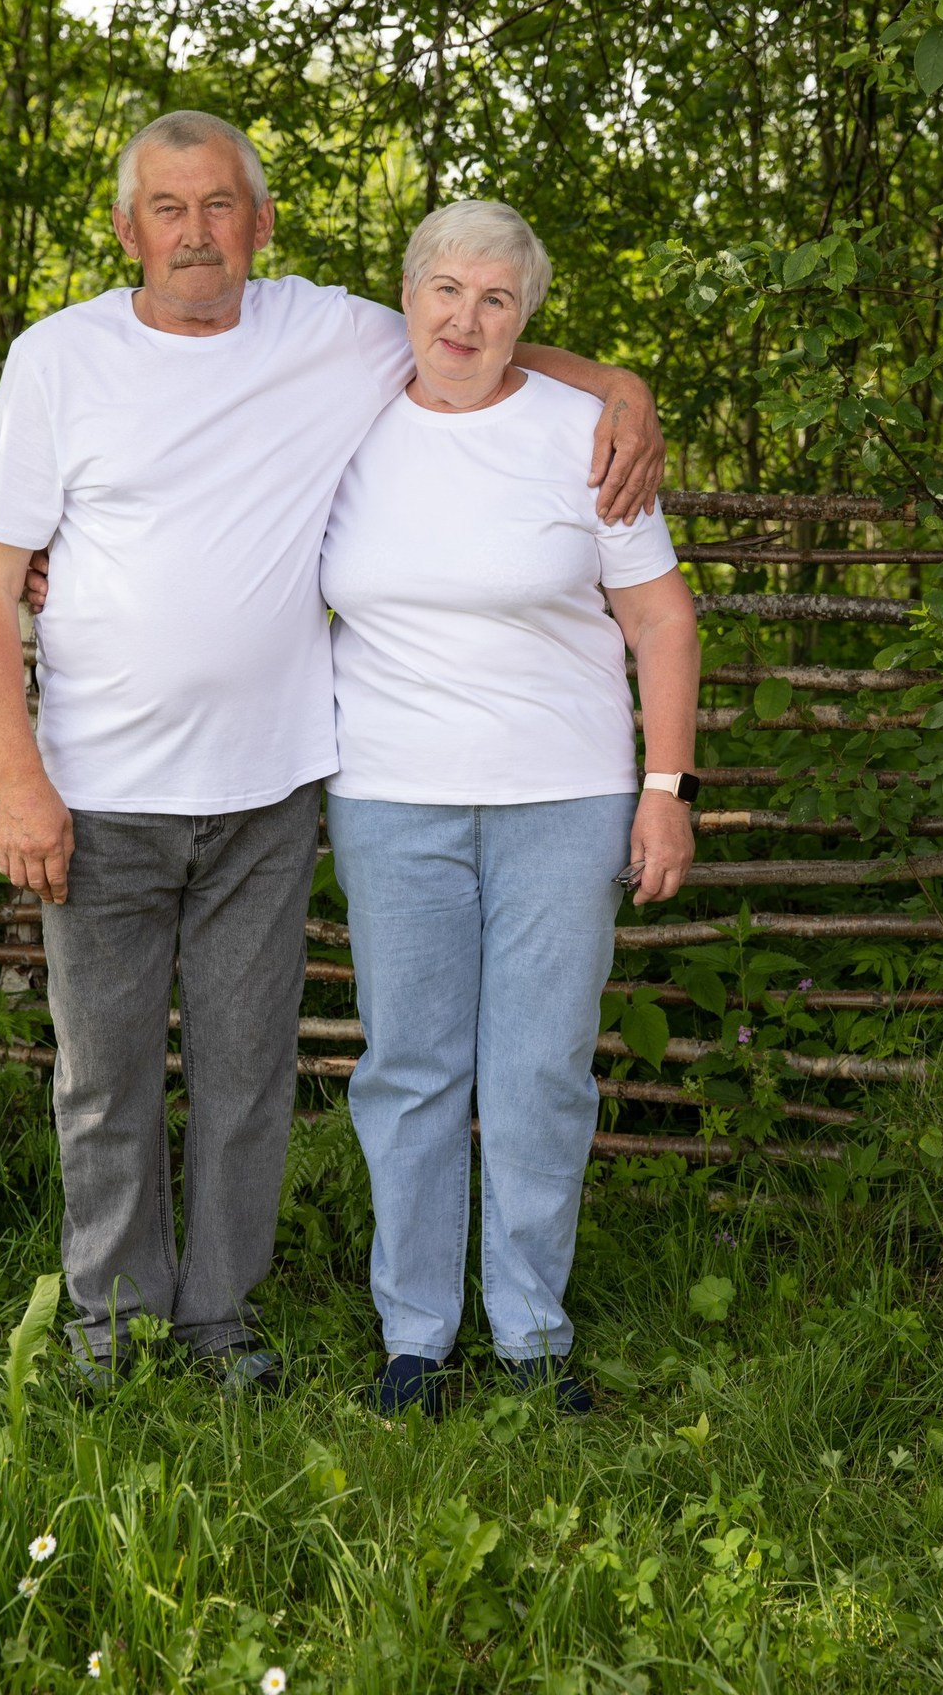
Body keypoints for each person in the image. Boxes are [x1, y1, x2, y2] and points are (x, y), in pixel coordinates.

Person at [0, 110, 666, 1394]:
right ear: (127, 229)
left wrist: (624, 386)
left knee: (246, 1078)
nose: (195, 232)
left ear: (260, 223)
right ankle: (111, 1337)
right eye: (167, 208)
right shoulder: (57, 361)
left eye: (219, 204)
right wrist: (20, 779)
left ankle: (219, 1322)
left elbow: (477, 342)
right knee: (105, 1084)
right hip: (99, 788)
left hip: (269, 789)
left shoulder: (327, 333)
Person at [321, 200, 700, 1417]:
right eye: (443, 289)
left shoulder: (584, 436)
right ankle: (415, 1340)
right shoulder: (342, 417)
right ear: (407, 292)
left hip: (564, 796)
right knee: (410, 1068)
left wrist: (664, 791)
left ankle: (532, 1333)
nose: (465, 318)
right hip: (389, 797)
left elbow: (660, 619)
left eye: (495, 298)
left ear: (525, 315)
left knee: (538, 1072)